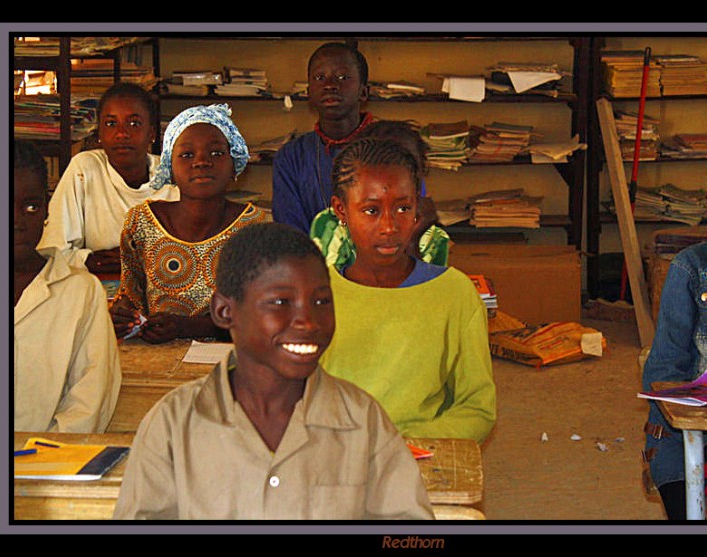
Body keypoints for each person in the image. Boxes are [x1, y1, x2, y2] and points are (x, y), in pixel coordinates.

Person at [112, 222, 435, 520]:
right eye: (281, 302)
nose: (307, 321)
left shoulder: (363, 421)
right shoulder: (173, 424)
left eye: (321, 302)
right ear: (224, 312)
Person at [317, 138, 496, 443]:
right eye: (371, 210)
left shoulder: (453, 293)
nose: (389, 227)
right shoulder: (314, 297)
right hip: (332, 452)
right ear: (340, 210)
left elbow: (477, 409)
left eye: (403, 208)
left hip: (421, 453)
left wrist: (405, 443)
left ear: (417, 207)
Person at [642, 128, 707, 520]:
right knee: (683, 488)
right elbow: (665, 370)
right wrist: (663, 434)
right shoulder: (691, 268)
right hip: (701, 429)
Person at [110, 104, 266, 344]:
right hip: (155, 359)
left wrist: (185, 326)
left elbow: (258, 315)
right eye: (186, 155)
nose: (201, 162)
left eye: (216, 153)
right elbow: (130, 294)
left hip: (229, 361)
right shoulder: (141, 223)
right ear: (169, 167)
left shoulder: (254, 228)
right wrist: (123, 314)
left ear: (235, 163)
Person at [13, 140, 121, 433]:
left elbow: (89, 403)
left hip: (42, 465)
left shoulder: (81, 292)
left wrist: (36, 463)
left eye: (31, 207)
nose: (17, 221)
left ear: (47, 210)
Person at [37, 82, 180, 274]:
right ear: (99, 134)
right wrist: (89, 260)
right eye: (111, 124)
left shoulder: (174, 178)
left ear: (152, 133)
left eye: (134, 123)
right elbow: (53, 249)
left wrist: (136, 258)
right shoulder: (84, 170)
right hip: (97, 286)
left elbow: (194, 251)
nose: (122, 133)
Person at [309, 119, 450, 267]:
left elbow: (430, 289)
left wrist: (412, 243)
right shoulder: (330, 223)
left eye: (408, 167)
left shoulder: (434, 238)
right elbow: (330, 286)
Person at [271, 41, 373, 234]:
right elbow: (290, 235)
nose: (330, 85)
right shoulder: (291, 157)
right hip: (310, 262)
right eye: (320, 77)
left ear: (363, 91)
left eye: (343, 77)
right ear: (309, 92)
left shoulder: (392, 147)